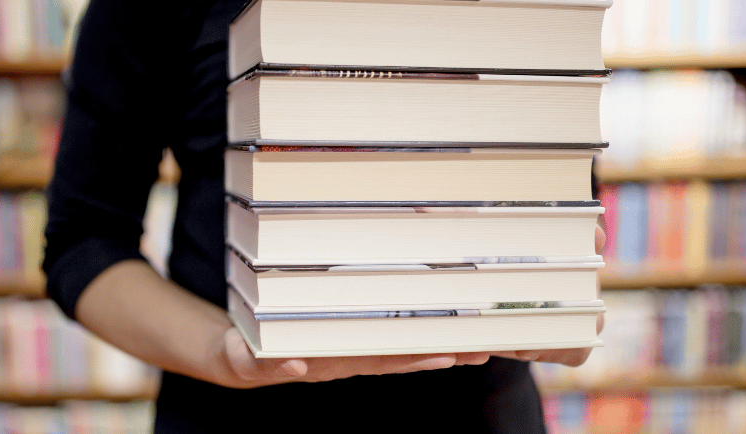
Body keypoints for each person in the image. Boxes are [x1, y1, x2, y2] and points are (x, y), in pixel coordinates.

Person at [43, 0, 605, 432]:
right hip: (232, 409)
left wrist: (556, 297)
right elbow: (84, 239)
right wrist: (221, 352)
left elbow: (559, 197)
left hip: (474, 410)